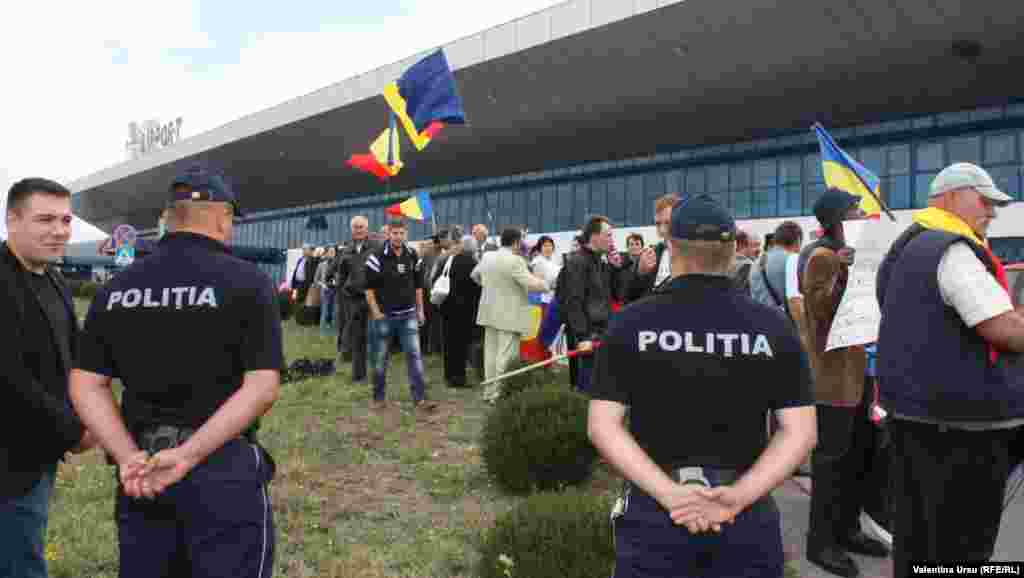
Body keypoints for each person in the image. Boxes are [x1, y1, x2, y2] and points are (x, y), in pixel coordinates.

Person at [68, 166, 282, 578]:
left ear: (169, 216)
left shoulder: (115, 289)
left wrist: (126, 455)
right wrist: (188, 455)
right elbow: (262, 387)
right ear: (223, 217)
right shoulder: (249, 282)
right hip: (220, 469)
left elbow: (86, 383)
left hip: (142, 474)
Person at [588, 194, 817, 578]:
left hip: (655, 510)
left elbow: (602, 426)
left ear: (672, 247)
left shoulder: (631, 322)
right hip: (744, 515)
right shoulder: (772, 326)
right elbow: (801, 432)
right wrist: (738, 497)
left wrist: (671, 495)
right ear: (731, 251)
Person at [876, 162, 1024, 575]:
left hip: (912, 417)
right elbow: (1003, 330)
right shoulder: (952, 250)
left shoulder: (906, 246)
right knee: (963, 545)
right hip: (962, 429)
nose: (992, 212)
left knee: (917, 536)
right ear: (951, 197)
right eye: (985, 201)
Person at [1, 177, 97, 578]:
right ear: (12, 220)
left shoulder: (53, 279)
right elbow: (9, 379)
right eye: (45, 219)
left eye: (65, 220)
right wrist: (75, 432)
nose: (59, 230)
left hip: (37, 451)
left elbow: (72, 356)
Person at [798, 188, 889, 577]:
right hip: (833, 380)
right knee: (832, 464)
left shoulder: (851, 254)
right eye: (855, 210)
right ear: (838, 218)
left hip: (858, 372)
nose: (862, 214)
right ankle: (821, 543)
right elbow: (820, 311)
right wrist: (843, 271)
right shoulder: (822, 256)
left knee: (857, 459)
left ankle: (848, 529)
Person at [364, 219, 438, 412]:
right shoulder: (376, 257)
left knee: (415, 357)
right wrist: (376, 312)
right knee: (380, 359)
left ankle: (420, 399)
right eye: (394, 233)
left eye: (401, 233)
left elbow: (418, 286)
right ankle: (378, 398)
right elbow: (369, 289)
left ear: (406, 234)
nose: (398, 237)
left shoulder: (412, 255)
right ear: (388, 234)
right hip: (384, 317)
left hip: (408, 315)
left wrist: (420, 310)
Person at [473, 227, 550, 402]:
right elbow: (530, 283)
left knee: (490, 354)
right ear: (516, 242)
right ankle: (499, 394)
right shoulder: (515, 260)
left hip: (489, 311)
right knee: (506, 356)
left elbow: (475, 276)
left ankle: (489, 392)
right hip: (509, 314)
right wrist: (547, 284)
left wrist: (489, 286)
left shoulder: (487, 256)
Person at [560, 215, 630, 393]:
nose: (612, 240)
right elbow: (573, 301)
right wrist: (582, 336)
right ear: (594, 236)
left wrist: (616, 269)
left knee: (603, 385)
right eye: (608, 235)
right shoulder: (577, 261)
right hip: (589, 334)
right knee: (589, 386)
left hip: (604, 330)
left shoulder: (602, 261)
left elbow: (617, 295)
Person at [435, 235, 482, 388]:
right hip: (465, 310)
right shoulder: (474, 264)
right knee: (461, 345)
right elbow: (478, 288)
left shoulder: (450, 260)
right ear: (473, 249)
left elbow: (436, 278)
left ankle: (449, 375)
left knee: (449, 343)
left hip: (447, 307)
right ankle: (459, 378)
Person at [335, 216, 377, 381]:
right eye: (355, 227)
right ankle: (359, 375)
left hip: (374, 298)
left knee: (376, 336)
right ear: (351, 230)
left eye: (361, 227)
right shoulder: (346, 250)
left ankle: (378, 372)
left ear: (367, 229)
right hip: (354, 299)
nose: (358, 230)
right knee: (358, 337)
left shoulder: (377, 247)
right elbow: (341, 275)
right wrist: (344, 292)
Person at [628, 193, 680, 302]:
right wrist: (640, 273)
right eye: (658, 224)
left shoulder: (695, 254)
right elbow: (630, 297)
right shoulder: (652, 254)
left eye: (667, 223)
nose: (662, 230)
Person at [529, 235, 559, 303]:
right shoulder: (537, 262)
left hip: (555, 295)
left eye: (550, 245)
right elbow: (538, 283)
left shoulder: (555, 259)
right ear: (540, 248)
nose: (548, 248)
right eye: (545, 246)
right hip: (544, 299)